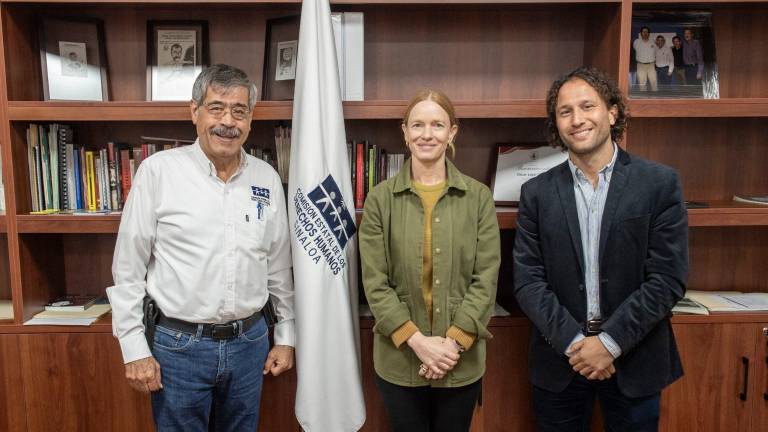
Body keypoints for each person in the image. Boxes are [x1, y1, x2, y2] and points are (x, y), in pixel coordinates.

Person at [107, 64, 295, 431]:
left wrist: (286, 337)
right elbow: (128, 270)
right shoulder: (158, 172)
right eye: (217, 108)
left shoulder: (266, 178)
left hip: (250, 345)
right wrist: (134, 350)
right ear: (194, 112)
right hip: (178, 349)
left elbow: (278, 268)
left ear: (250, 119)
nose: (228, 121)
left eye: (239, 111)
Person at [513, 67, 688, 431]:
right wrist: (578, 345)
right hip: (561, 360)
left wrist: (608, 343)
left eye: (587, 106)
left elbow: (667, 279)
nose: (577, 120)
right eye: (565, 112)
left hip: (635, 357)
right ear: (556, 124)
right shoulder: (536, 194)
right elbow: (528, 281)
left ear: (612, 112)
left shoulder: (658, 183)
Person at [359, 89, 500, 432]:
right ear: (404, 131)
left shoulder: (478, 197)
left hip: (460, 360)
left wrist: (450, 345)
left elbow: (486, 278)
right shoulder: (380, 200)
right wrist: (419, 343)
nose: (427, 134)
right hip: (400, 359)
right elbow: (375, 284)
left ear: (452, 132)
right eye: (417, 125)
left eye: (437, 124)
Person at [632, 26, 657, 91]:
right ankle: (643, 97)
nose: (645, 33)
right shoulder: (636, 42)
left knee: (654, 82)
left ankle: (655, 98)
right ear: (641, 33)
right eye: (644, 32)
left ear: (649, 34)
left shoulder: (653, 42)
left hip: (651, 65)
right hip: (640, 65)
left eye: (647, 32)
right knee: (641, 83)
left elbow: (658, 50)